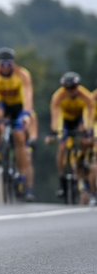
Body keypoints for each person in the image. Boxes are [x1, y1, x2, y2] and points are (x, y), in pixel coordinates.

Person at [0, 47, 36, 201]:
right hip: (3, 105)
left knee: (19, 137)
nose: (5, 68)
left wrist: (26, 114)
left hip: (19, 107)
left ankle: (23, 175)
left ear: (13, 64)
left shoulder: (22, 75)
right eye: (2, 64)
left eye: (8, 64)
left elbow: (27, 96)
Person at [48, 72, 94, 200]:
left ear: (78, 86)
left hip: (80, 120)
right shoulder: (58, 97)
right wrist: (55, 131)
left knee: (85, 139)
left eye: (73, 88)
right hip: (66, 122)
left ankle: (82, 159)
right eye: (67, 88)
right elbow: (56, 115)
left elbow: (89, 113)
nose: (70, 91)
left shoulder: (86, 96)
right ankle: (62, 178)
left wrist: (88, 129)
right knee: (62, 148)